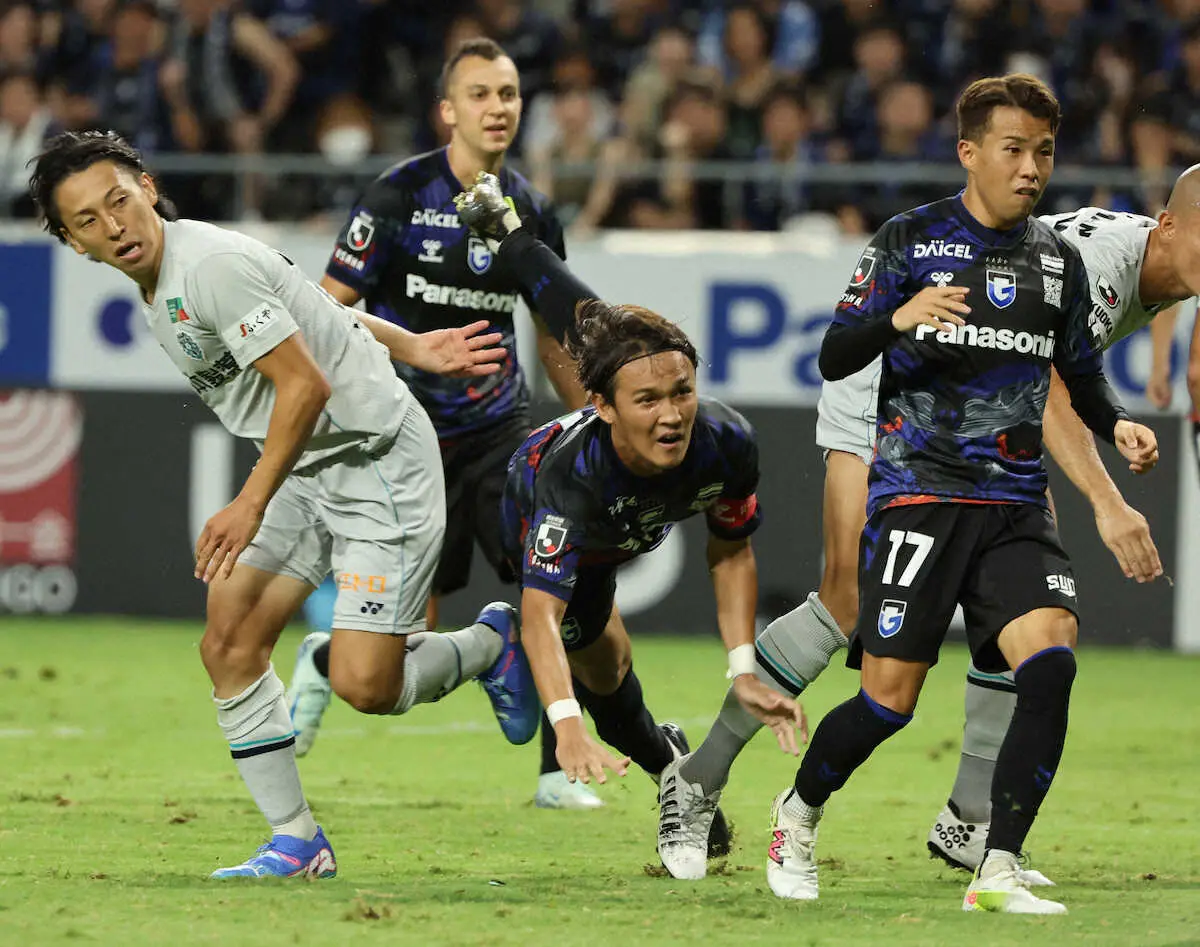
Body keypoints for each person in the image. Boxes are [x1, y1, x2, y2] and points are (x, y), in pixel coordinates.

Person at [657, 164, 1200, 882]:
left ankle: (969, 818)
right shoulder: (1098, 265)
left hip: (983, 418)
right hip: (899, 384)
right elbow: (1050, 388)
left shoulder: (1167, 255)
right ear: (1168, 226)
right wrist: (1109, 502)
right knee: (846, 602)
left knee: (1020, 602)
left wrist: (1156, 372)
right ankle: (699, 775)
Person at [29, 130, 541, 880]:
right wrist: (411, 345)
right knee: (229, 641)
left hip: (376, 462)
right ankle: (298, 842)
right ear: (74, 244)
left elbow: (305, 384)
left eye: (119, 201)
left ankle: (490, 645)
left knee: (367, 686)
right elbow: (313, 306)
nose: (114, 225)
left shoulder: (208, 268)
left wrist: (248, 502)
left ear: (147, 187)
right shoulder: (167, 279)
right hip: (307, 464)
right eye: (88, 220)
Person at [764, 73, 1159, 913]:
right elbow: (835, 354)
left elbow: (1080, 375)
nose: (1031, 168)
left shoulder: (1057, 261)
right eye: (1014, 149)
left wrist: (1119, 421)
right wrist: (900, 318)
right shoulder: (910, 239)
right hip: (921, 495)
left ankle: (997, 865)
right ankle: (797, 812)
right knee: (887, 702)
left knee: (1050, 662)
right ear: (969, 152)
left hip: (1014, 501)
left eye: (1043, 152)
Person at [451, 171, 806, 851]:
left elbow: (731, 549)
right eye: (648, 400)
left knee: (589, 318)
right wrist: (565, 724)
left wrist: (742, 668)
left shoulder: (727, 441)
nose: (672, 415)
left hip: (624, 508)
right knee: (605, 681)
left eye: (683, 393)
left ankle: (506, 231)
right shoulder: (569, 482)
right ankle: (669, 766)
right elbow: (540, 613)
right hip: (554, 526)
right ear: (604, 407)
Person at [287, 37, 599, 811]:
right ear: (447, 111)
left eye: (509, 94)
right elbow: (326, 309)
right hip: (405, 437)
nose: (498, 108)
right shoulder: (397, 196)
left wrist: (589, 418)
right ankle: (325, 660)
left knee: (558, 583)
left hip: (500, 433)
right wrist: (408, 355)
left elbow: (551, 334)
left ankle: (559, 771)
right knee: (395, 654)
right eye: (481, 94)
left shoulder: (531, 210)